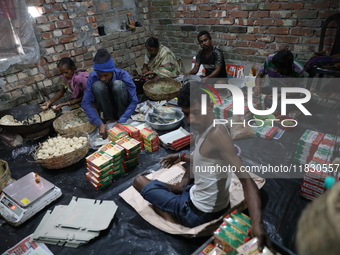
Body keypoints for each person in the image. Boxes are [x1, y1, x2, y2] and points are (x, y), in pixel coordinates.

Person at [133, 82, 272, 252]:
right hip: (198, 198)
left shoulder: (217, 135)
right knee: (187, 167)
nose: (191, 120)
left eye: (196, 113)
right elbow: (204, 158)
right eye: (186, 114)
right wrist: (180, 156)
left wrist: (257, 224)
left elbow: (247, 182)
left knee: (139, 181)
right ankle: (179, 190)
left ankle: (174, 205)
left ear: (210, 105)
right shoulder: (209, 126)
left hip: (196, 214)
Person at [81, 49, 138, 139]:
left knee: (118, 84)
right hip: (105, 109)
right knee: (98, 85)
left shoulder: (123, 75)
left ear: (112, 71)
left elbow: (134, 100)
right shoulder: (93, 77)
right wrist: (99, 123)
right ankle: (108, 119)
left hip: (122, 109)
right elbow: (85, 102)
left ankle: (121, 119)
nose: (103, 78)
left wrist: (122, 120)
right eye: (100, 75)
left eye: (106, 75)